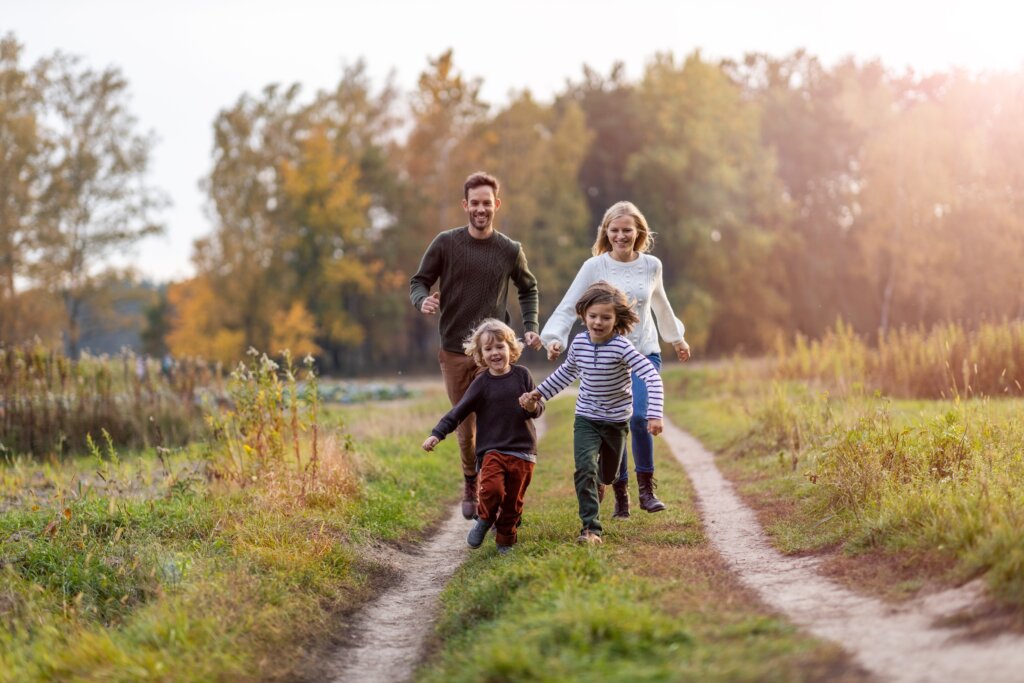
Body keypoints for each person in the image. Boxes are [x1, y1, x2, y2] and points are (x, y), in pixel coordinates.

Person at [540, 201, 689, 518]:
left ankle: (647, 489)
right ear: (606, 232)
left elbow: (660, 305)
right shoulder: (595, 266)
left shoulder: (652, 265)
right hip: (608, 355)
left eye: (627, 230)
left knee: (639, 416)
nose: (621, 235)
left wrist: (676, 338)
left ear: (638, 232)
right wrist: (555, 338)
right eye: (615, 230)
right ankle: (621, 494)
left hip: (644, 350)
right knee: (615, 420)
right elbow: (571, 304)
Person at [411, 171, 543, 519]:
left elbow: (528, 288)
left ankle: (494, 481)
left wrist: (530, 327)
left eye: (487, 203)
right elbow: (419, 280)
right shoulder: (445, 243)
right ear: (465, 205)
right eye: (475, 203)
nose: (481, 209)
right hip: (455, 350)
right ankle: (471, 478)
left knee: (500, 418)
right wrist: (421, 299)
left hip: (493, 353)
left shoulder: (510, 250)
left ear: (496, 205)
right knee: (466, 424)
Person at [521, 282, 663, 545]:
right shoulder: (579, 342)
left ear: (616, 318)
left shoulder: (622, 347)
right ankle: (591, 529)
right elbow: (566, 373)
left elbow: (651, 377)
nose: (598, 322)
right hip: (586, 418)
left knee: (606, 475)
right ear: (583, 315)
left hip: (616, 421)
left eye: (606, 317)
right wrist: (538, 393)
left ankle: (602, 485)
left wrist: (654, 414)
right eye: (593, 316)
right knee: (584, 468)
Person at [423, 319, 543, 554]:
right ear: (480, 354)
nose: (495, 353)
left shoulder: (522, 375)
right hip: (493, 450)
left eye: (500, 346)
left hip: (523, 451)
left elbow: (538, 410)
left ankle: (505, 541)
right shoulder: (481, 383)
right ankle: (485, 520)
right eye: (488, 349)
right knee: (492, 490)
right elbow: (458, 412)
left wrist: (531, 406)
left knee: (513, 502)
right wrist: (437, 434)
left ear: (511, 348)